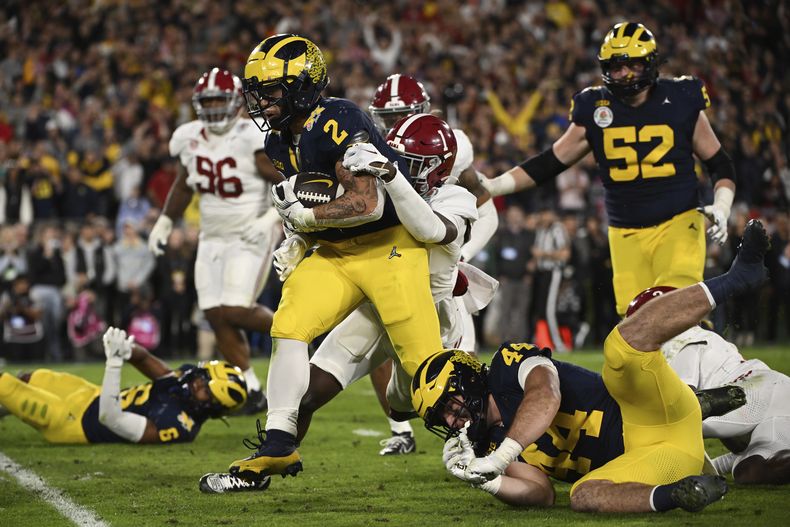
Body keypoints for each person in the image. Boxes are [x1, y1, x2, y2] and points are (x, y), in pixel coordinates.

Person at [200, 113, 485, 494]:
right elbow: (353, 218)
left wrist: (391, 175)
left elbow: (427, 228)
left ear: (437, 168)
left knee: (434, 397)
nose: (400, 166)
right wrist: (300, 238)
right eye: (395, 158)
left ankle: (500, 451)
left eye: (410, 163)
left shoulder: (454, 197)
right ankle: (267, 460)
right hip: (372, 306)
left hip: (431, 312)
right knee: (305, 394)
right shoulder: (384, 179)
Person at [410, 219, 770, 512]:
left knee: (619, 347)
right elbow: (540, 493)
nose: (450, 422)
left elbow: (546, 394)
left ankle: (736, 280)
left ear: (468, 382)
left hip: (644, 412)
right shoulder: (486, 443)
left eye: (449, 407)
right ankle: (679, 493)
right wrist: (490, 479)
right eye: (440, 420)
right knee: (583, 495)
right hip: (659, 460)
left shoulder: (507, 365)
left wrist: (504, 454)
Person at [227, 34, 443, 481]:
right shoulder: (277, 143)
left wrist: (305, 218)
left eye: (271, 91)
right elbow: (312, 206)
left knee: (426, 371)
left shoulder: (338, 119)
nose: (262, 102)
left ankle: (493, 439)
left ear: (304, 84)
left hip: (391, 248)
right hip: (336, 252)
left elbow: (368, 203)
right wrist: (299, 237)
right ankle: (280, 443)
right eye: (258, 92)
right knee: (288, 323)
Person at [481, 22, 737, 316]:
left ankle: (711, 358)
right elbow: (549, 163)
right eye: (616, 67)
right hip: (624, 231)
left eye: (633, 65)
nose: (625, 74)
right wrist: (495, 186)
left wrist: (722, 206)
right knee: (634, 322)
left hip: (678, 222)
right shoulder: (595, 106)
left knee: (676, 310)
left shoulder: (680, 98)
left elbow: (719, 162)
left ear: (650, 64)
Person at [367, 74, 499, 454]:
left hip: (440, 266)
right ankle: (400, 430)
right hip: (390, 261)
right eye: (387, 117)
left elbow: (485, 205)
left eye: (403, 116)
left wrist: (462, 255)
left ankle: (475, 438)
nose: (393, 127)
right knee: (379, 345)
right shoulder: (368, 148)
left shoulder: (447, 143)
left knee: (461, 355)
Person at [148, 67, 283, 414]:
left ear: (236, 102)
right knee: (214, 313)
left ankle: (301, 329)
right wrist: (165, 221)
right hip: (212, 235)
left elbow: (285, 178)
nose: (211, 108)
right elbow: (183, 184)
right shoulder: (188, 136)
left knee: (235, 308)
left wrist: (271, 216)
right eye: (206, 102)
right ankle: (252, 389)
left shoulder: (251, 136)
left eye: (218, 101)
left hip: (250, 229)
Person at [625, 287, 790, 485]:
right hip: (774, 389)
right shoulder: (705, 336)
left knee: (659, 422)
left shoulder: (678, 339)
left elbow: (685, 405)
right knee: (749, 471)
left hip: (745, 393)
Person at [0, 327, 249, 446]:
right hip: (90, 394)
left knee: (5, 385)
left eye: (204, 388)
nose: (196, 383)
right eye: (202, 377)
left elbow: (111, 418)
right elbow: (144, 360)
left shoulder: (180, 426)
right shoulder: (183, 379)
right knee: (28, 377)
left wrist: (115, 362)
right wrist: (126, 348)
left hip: (73, 422)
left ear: (213, 407)